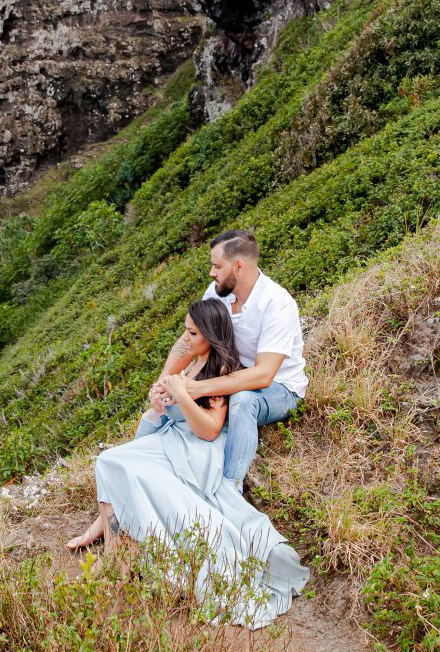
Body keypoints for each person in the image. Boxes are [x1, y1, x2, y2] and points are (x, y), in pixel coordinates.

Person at [66, 297, 309, 628]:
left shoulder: (221, 369)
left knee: (118, 465)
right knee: (109, 461)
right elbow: (164, 412)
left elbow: (209, 430)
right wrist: (159, 401)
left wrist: (181, 395)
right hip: (172, 439)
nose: (186, 339)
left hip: (197, 450)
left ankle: (120, 556)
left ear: (210, 334)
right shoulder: (191, 363)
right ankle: (118, 548)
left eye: (192, 333)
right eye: (186, 331)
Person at [150, 230, 306, 491]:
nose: (212, 273)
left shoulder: (277, 303)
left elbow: (263, 375)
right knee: (171, 398)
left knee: (243, 400)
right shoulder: (216, 292)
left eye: (217, 266)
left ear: (238, 266)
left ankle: (230, 488)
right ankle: (148, 471)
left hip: (280, 388)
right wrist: (163, 382)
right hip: (229, 376)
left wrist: (199, 388)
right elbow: (189, 339)